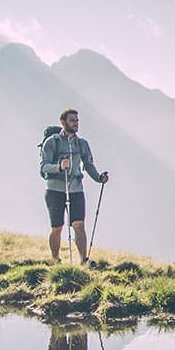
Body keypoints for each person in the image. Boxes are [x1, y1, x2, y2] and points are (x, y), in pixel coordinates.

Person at [39, 109, 109, 264]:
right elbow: (44, 166)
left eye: (77, 120)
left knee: (79, 224)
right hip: (54, 189)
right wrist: (59, 166)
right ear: (63, 122)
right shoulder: (52, 142)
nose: (76, 123)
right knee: (57, 227)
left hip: (76, 188)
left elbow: (89, 165)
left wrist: (99, 178)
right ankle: (55, 259)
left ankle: (83, 260)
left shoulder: (82, 144)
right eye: (72, 120)